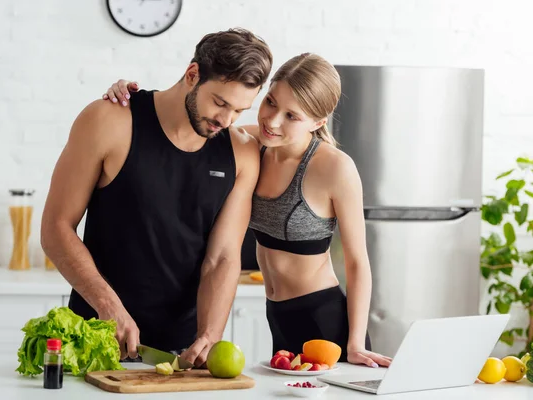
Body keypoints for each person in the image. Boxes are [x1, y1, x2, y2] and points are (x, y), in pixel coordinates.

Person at [102, 54, 392, 368]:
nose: (273, 120)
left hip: (324, 321)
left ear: (318, 122)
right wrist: (131, 98)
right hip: (277, 314)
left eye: (292, 116)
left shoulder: (334, 168)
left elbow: (357, 262)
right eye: (270, 102)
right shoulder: (252, 143)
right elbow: (193, 119)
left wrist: (355, 342)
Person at [40, 28, 273, 367]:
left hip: (180, 355)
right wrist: (109, 308)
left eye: (239, 110)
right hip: (96, 341)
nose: (226, 119)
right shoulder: (109, 120)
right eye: (220, 102)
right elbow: (56, 228)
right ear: (192, 74)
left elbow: (222, 257)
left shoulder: (242, 154)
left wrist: (209, 334)